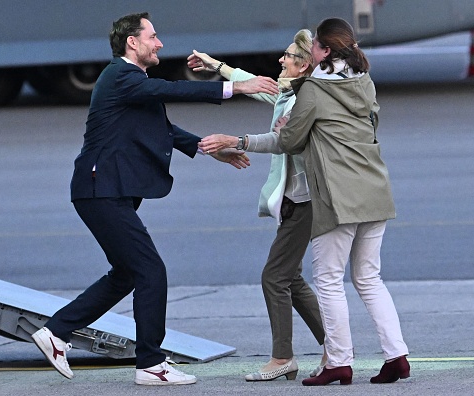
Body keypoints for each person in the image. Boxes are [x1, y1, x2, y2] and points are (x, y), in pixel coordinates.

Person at [30, 12, 279, 386]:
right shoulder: (121, 76)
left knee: (127, 274)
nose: (159, 43)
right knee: (150, 271)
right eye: (153, 36)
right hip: (102, 191)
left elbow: (160, 127)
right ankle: (150, 363)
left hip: (108, 190)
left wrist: (206, 148)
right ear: (133, 42)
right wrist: (235, 88)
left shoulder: (131, 82)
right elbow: (171, 89)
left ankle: (56, 332)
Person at [277, 18, 410, 386]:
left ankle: (338, 361)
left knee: (329, 279)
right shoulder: (364, 82)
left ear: (325, 51)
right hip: (374, 188)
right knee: (369, 277)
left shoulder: (314, 90)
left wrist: (283, 128)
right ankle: (397, 355)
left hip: (337, 196)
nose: (312, 49)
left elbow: (290, 141)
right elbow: (372, 126)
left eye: (316, 44)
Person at [187, 29, 326, 382]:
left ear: (304, 64)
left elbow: (284, 143)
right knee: (290, 278)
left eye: (288, 56)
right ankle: (336, 348)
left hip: (307, 199)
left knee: (274, 277)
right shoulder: (289, 93)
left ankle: (283, 357)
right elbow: (255, 82)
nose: (280, 60)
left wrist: (237, 140)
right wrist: (216, 66)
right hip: (295, 199)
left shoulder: (303, 101)